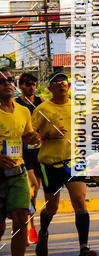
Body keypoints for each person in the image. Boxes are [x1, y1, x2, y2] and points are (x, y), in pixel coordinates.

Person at [31, 73, 97, 256]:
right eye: (57, 83)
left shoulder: (77, 107)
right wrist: (47, 135)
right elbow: (30, 137)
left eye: (65, 82)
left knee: (80, 202)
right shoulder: (42, 109)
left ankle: (84, 249)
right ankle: (43, 233)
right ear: (50, 88)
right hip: (50, 164)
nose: (62, 85)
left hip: (74, 161)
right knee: (52, 207)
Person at [0, 70, 41, 256]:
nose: (7, 84)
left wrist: (33, 138)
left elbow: (26, 136)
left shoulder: (24, 111)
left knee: (21, 219)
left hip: (17, 172)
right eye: (1, 81)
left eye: (9, 80)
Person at [15, 73, 43, 244]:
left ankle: (29, 224)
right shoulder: (15, 104)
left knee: (35, 191)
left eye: (33, 84)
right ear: (20, 86)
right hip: (23, 153)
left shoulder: (41, 103)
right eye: (27, 84)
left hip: (40, 152)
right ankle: (29, 226)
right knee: (31, 187)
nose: (31, 87)